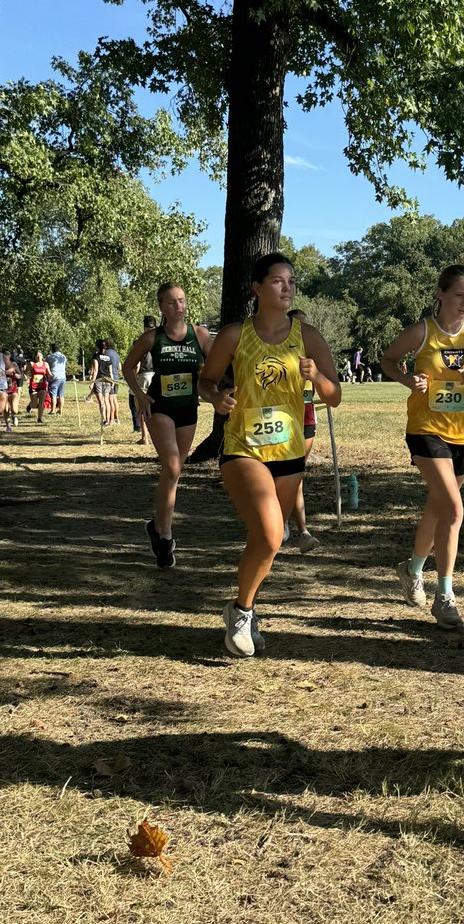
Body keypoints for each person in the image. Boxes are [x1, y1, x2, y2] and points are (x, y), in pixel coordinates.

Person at [198, 254, 341, 656]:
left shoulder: (308, 336)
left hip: (290, 452)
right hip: (244, 448)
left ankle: (243, 607)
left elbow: (336, 396)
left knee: (268, 540)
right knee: (270, 532)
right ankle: (241, 614)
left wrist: (315, 377)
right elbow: (206, 382)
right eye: (277, 281)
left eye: (291, 281)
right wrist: (217, 397)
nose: (287, 288)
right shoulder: (233, 335)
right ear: (257, 288)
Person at [380, 264, 464, 629]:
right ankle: (445, 595)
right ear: (440, 293)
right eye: (459, 295)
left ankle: (412, 568)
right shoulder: (422, 332)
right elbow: (388, 360)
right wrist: (409, 379)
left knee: (438, 507)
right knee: (453, 507)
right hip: (426, 428)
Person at [123, 286, 212, 568]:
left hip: (188, 408)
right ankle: (166, 536)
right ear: (162, 306)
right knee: (172, 467)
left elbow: (219, 363)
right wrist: (139, 394)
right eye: (172, 302)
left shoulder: (199, 335)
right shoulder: (152, 337)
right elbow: (127, 367)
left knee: (174, 472)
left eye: (182, 300)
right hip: (159, 407)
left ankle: (158, 529)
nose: (178, 306)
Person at [282, 309, 321, 552]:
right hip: (281, 419)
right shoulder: (277, 351)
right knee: (286, 474)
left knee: (297, 473)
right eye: (298, 326)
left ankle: (301, 530)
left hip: (306, 418)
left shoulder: (313, 352)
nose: (302, 332)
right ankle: (288, 524)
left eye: (305, 327)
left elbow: (326, 384)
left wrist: (315, 375)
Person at [130, 314, 157, 443]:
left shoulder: (143, 340)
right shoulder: (161, 338)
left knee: (141, 406)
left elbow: (136, 363)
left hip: (144, 376)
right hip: (157, 375)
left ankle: (145, 437)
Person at [88, 339, 114, 427]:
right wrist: (112, 381)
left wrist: (92, 382)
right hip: (107, 380)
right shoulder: (108, 357)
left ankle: (103, 419)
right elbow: (110, 371)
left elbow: (95, 370)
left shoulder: (96, 356)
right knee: (107, 400)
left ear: (97, 346)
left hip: (99, 380)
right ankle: (108, 420)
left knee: (101, 402)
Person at [25, 350, 49, 422]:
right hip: (34, 386)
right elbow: (26, 372)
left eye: (40, 355)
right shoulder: (32, 364)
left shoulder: (46, 364)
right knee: (34, 404)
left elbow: (49, 373)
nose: (39, 357)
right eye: (37, 355)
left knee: (42, 402)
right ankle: (30, 405)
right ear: (35, 357)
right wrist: (27, 378)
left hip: (42, 385)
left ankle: (39, 418)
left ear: (42, 356)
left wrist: (52, 376)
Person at [46, 343, 67, 417]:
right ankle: (60, 411)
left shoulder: (49, 357)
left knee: (53, 395)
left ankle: (53, 410)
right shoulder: (63, 356)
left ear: (52, 349)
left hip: (54, 377)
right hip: (63, 377)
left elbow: (47, 366)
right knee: (61, 395)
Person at [105, 337, 122, 426]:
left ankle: (111, 420)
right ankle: (116, 418)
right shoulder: (116, 354)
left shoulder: (106, 354)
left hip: (110, 378)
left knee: (110, 400)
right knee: (115, 399)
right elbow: (119, 367)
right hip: (116, 377)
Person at [4, 350, 22, 427]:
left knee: (14, 409)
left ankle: (14, 416)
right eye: (5, 355)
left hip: (13, 388)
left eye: (8, 355)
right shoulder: (0, 365)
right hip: (3, 389)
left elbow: (20, 375)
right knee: (6, 408)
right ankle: (8, 424)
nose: (7, 357)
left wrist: (18, 375)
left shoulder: (14, 364)